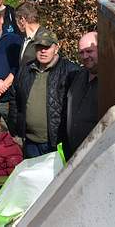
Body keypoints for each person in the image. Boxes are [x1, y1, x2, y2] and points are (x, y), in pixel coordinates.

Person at [9, 29, 79, 158]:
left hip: (57, 143)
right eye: (39, 47)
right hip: (30, 142)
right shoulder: (25, 70)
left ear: (56, 48)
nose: (43, 51)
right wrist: (15, 131)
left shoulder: (70, 72)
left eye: (47, 47)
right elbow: (15, 100)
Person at [63, 31, 99, 157]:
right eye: (81, 52)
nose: (85, 56)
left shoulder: (110, 82)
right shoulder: (78, 77)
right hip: (74, 153)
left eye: (89, 51)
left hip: (96, 155)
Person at [15, 1, 48, 65]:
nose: (16, 24)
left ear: (22, 20)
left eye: (16, 21)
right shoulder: (26, 39)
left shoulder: (45, 39)